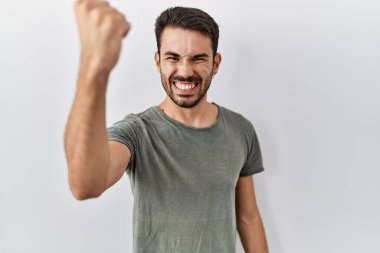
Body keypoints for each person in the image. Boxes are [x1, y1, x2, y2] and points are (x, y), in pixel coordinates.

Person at [64, 1, 269, 252]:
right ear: (158, 61)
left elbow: (248, 218)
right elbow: (84, 185)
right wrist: (94, 67)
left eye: (198, 59)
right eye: (173, 58)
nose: (184, 71)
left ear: (215, 64)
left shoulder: (241, 129)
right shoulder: (137, 132)